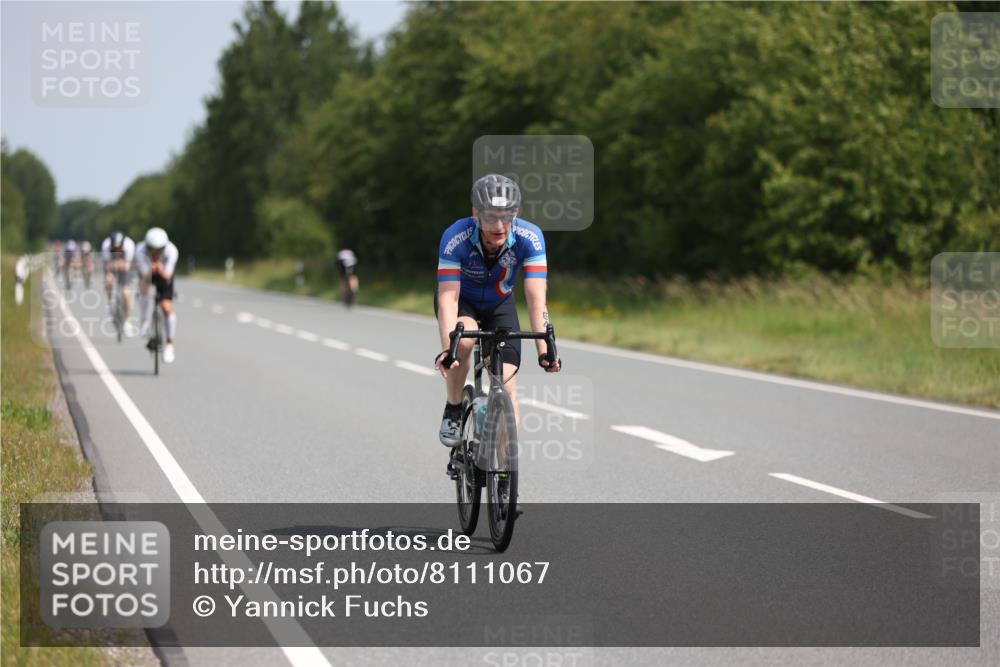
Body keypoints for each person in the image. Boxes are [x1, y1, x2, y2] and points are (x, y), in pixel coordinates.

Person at [434, 174, 561, 448]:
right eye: (491, 217)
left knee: (506, 387)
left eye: (507, 216)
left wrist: (545, 352)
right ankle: (454, 407)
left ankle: (503, 465)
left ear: (516, 213)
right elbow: (448, 298)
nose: (500, 226)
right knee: (464, 340)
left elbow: (537, 301)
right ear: (476, 213)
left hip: (500, 302)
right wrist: (449, 349)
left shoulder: (531, 237)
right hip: (462, 302)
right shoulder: (455, 237)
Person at [136, 227, 179, 364]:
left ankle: (170, 344)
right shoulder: (140, 250)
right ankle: (144, 321)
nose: (155, 252)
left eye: (159, 249)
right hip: (147, 275)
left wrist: (160, 268)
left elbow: (168, 275)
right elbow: (144, 274)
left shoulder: (172, 251)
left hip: (164, 276)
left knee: (166, 307)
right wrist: (150, 269)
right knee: (144, 288)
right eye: (152, 249)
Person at [101, 230, 136, 331]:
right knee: (109, 280)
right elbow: (107, 265)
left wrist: (118, 264)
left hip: (125, 268)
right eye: (114, 247)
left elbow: (127, 266)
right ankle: (109, 302)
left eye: (119, 247)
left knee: (126, 293)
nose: (116, 249)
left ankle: (127, 320)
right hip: (112, 265)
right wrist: (115, 265)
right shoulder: (106, 245)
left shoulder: (129, 245)